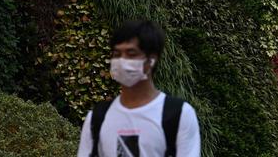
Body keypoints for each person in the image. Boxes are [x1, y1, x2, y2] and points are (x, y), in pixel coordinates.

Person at [77, 20, 200, 157]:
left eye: (131, 54)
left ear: (151, 60)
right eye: (117, 54)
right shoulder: (97, 117)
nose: (122, 61)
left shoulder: (178, 114)